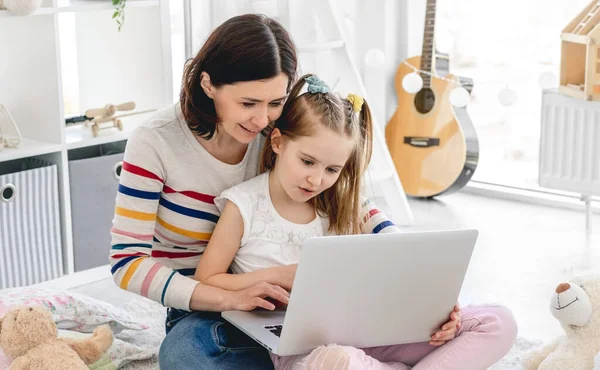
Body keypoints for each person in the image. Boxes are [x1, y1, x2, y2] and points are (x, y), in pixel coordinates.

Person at [109, 15, 398, 370]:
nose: (262, 121)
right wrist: (231, 296)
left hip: (302, 307)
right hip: (208, 308)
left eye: (275, 102)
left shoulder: (278, 135)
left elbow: (353, 203)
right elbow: (127, 262)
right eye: (248, 103)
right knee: (184, 353)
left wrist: (397, 246)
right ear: (208, 84)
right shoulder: (154, 142)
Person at [196, 74, 518, 370]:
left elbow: (397, 246)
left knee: (498, 321)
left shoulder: (345, 200)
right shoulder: (243, 205)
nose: (316, 179)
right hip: (304, 349)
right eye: (307, 161)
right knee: (339, 361)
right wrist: (279, 276)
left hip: (378, 333)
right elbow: (207, 279)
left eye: (332, 170)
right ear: (278, 142)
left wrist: (438, 305)